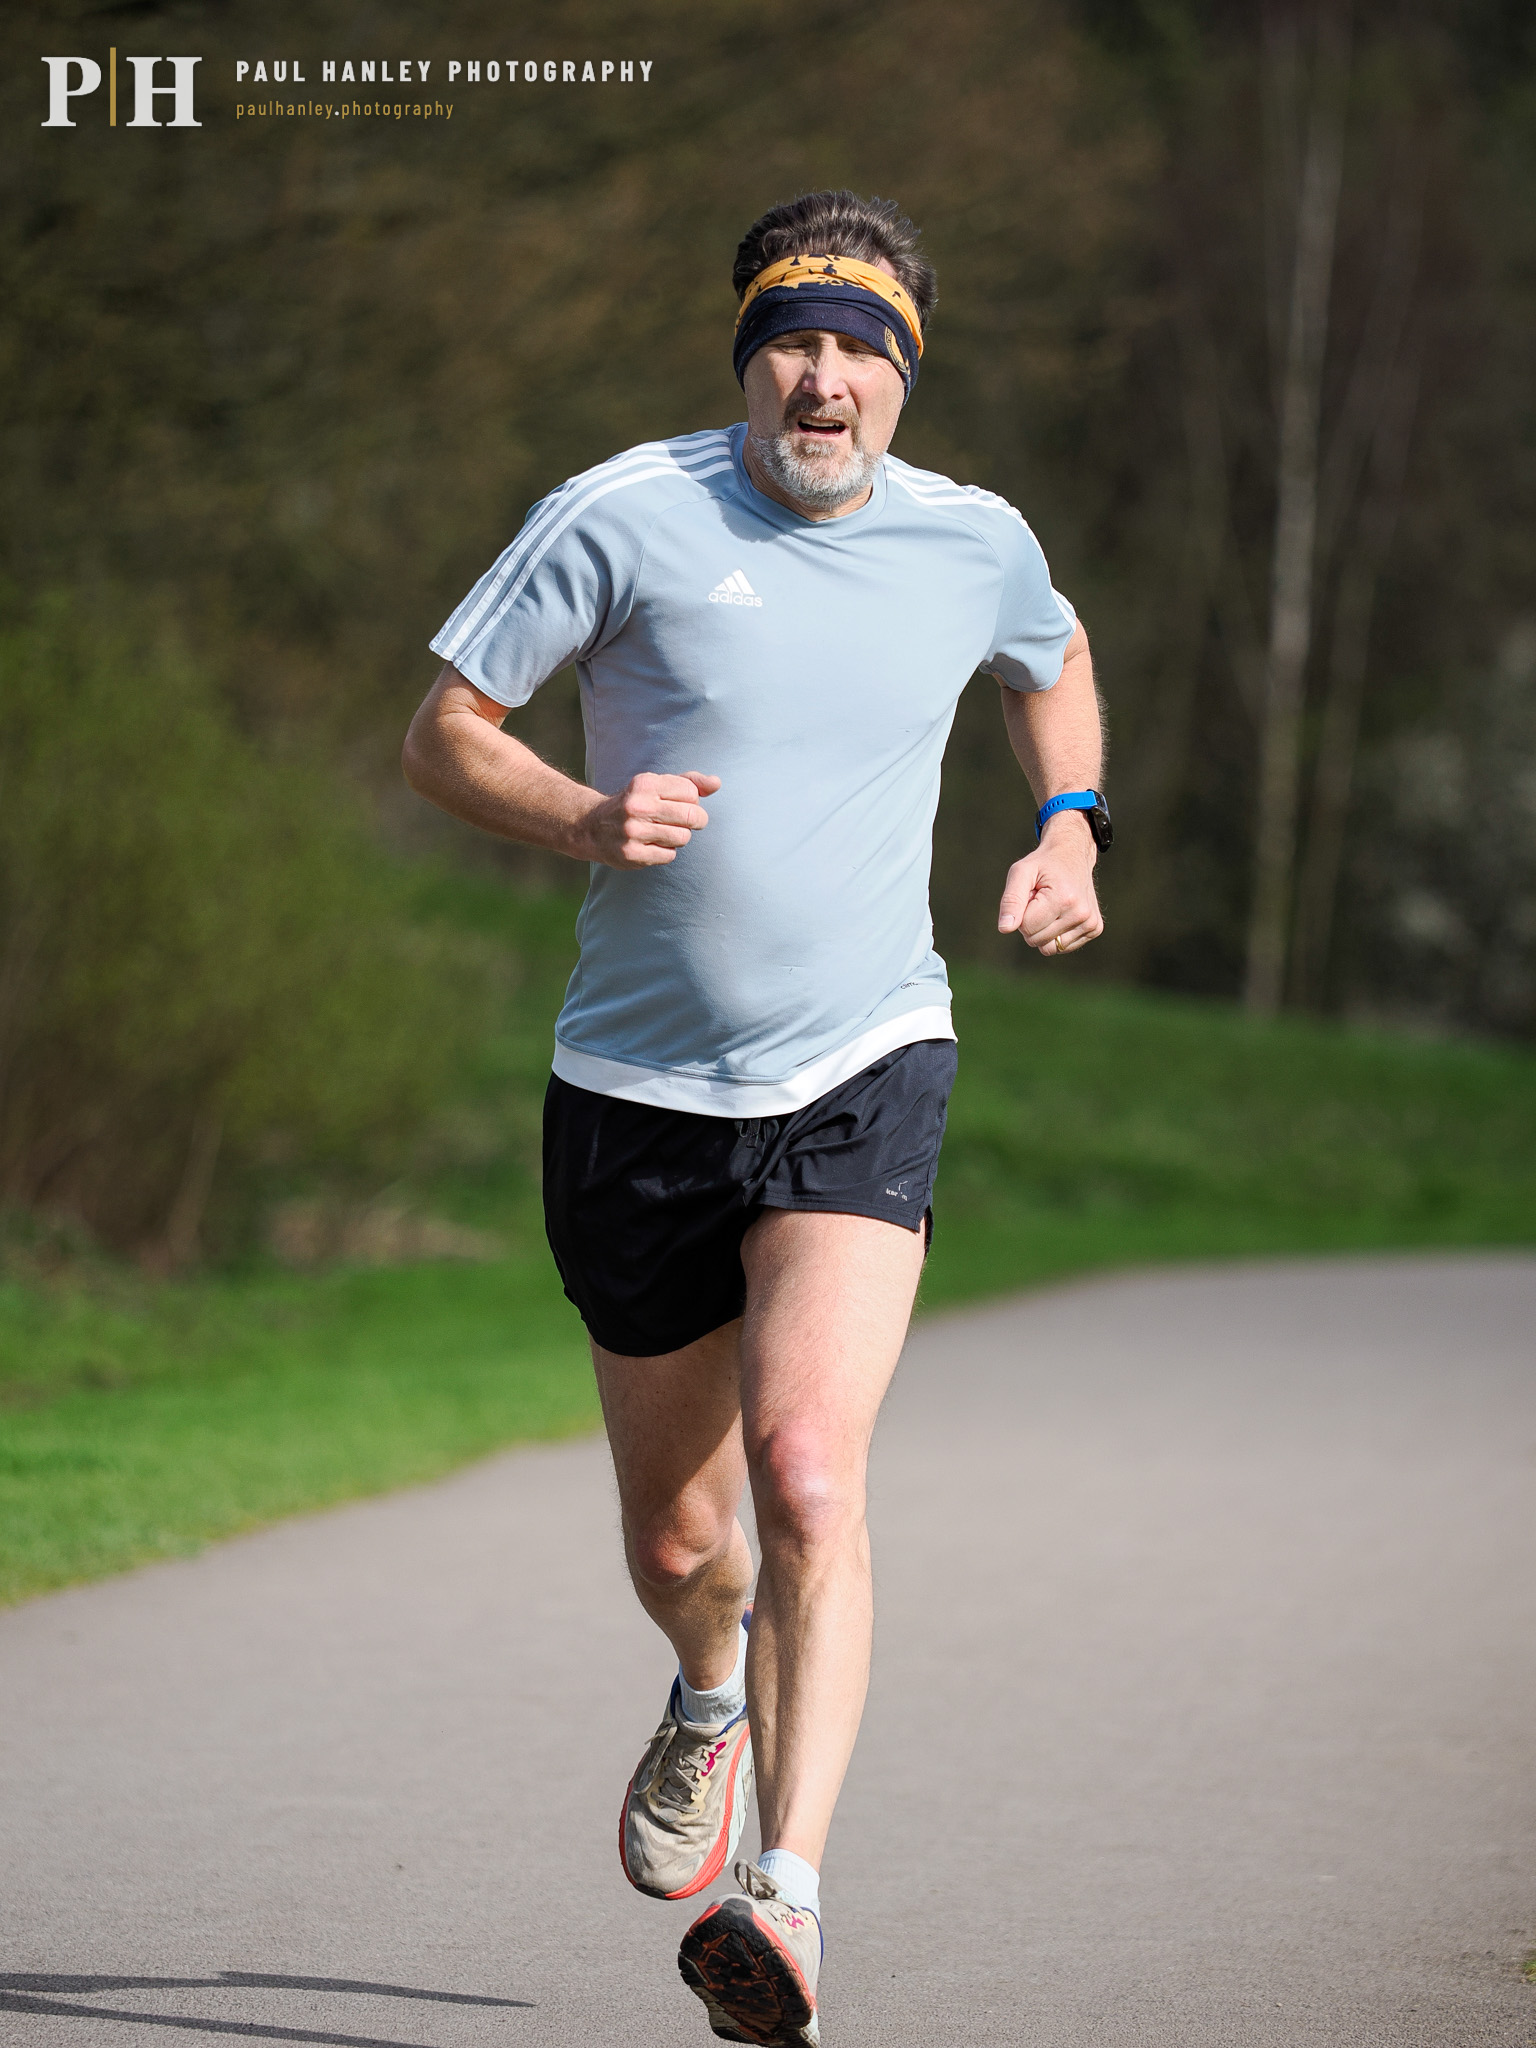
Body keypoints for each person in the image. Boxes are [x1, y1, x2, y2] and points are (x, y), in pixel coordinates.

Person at [402, 188, 1106, 2047]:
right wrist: (576, 816)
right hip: (634, 1092)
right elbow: (444, 732)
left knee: (810, 1477)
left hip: (867, 1063)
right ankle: (706, 1689)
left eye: (863, 347)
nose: (826, 375)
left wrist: (1070, 825)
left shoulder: (975, 541)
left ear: (902, 379)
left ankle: (785, 1897)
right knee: (676, 1543)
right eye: (796, 340)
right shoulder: (623, 511)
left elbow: (1054, 661)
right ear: (751, 362)